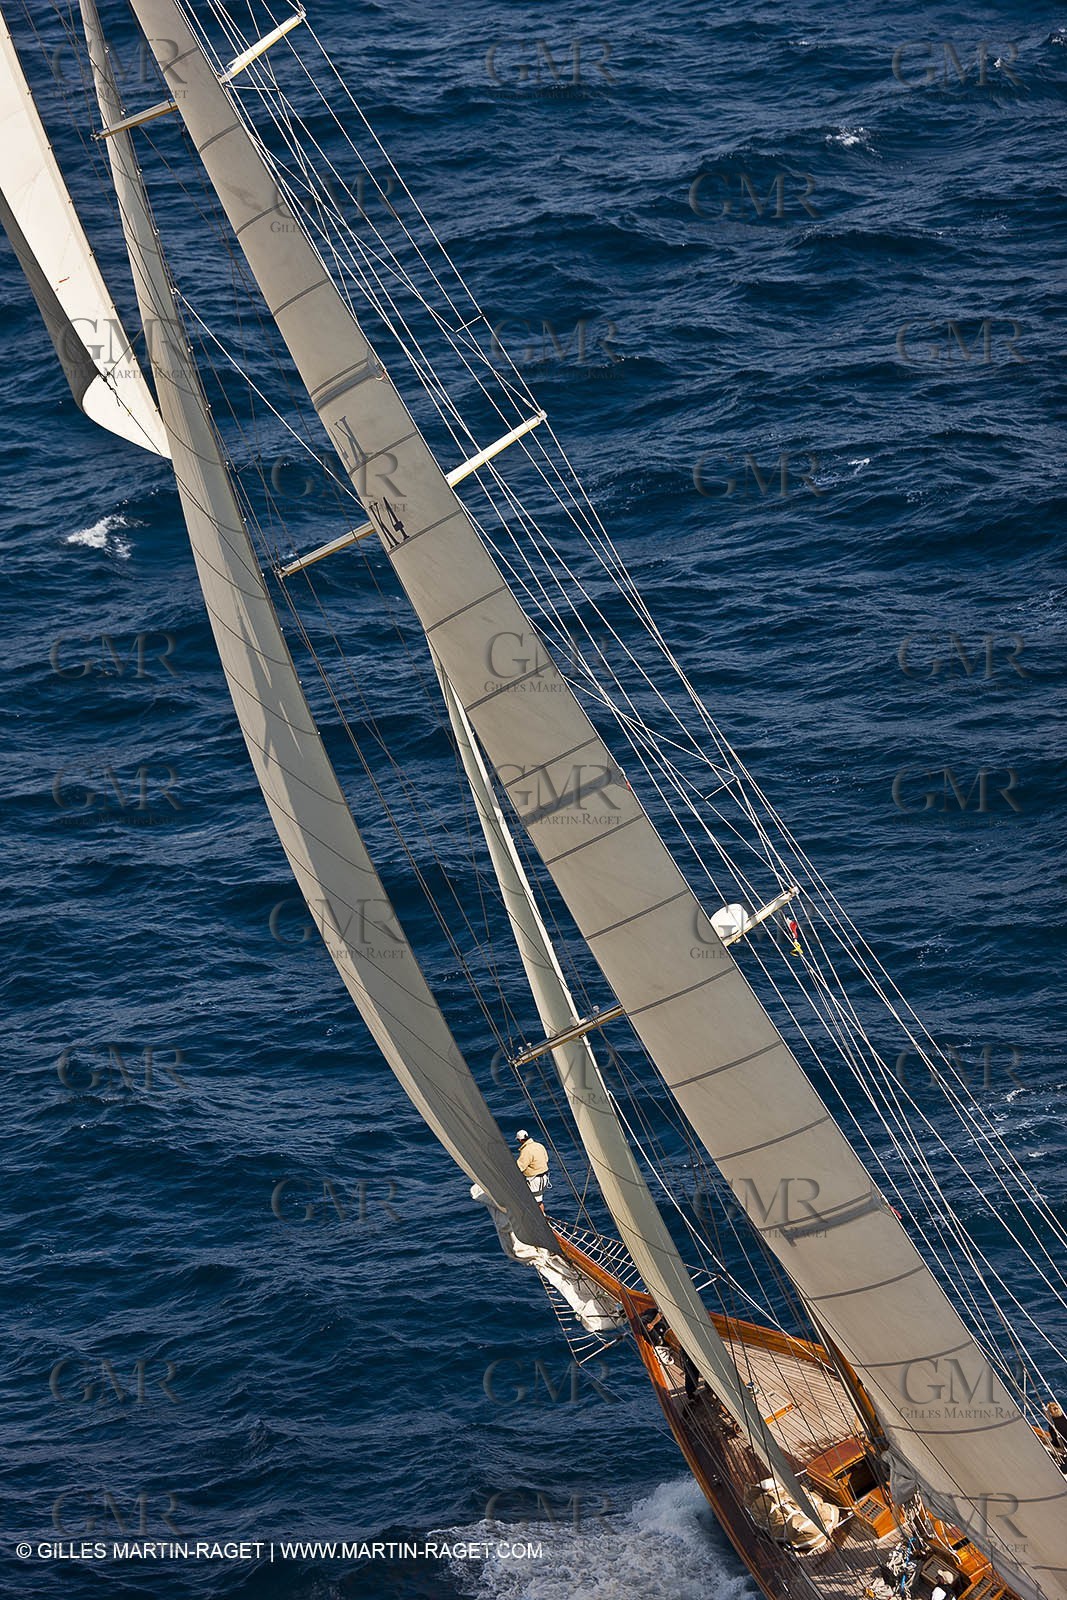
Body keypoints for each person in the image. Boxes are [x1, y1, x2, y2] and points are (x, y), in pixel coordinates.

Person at [515, 1129, 550, 1208]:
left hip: (534, 1180)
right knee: (539, 1201)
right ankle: (542, 1214)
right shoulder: (539, 1145)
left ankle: (540, 1215)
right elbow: (546, 1159)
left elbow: (520, 1167)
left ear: (520, 1140)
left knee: (534, 1203)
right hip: (544, 1178)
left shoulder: (526, 1150)